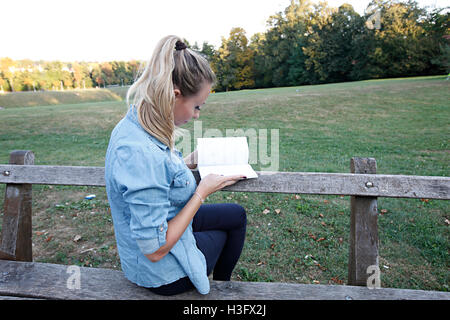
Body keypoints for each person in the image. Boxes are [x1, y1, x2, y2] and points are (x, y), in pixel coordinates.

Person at [104, 35, 247, 296]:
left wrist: (189, 160)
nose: (196, 115)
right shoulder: (139, 152)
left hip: (167, 219)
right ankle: (221, 291)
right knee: (225, 234)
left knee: (236, 215)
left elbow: (157, 178)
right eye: (196, 106)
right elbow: (155, 250)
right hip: (162, 273)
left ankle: (222, 286)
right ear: (175, 95)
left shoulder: (140, 122)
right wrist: (201, 192)